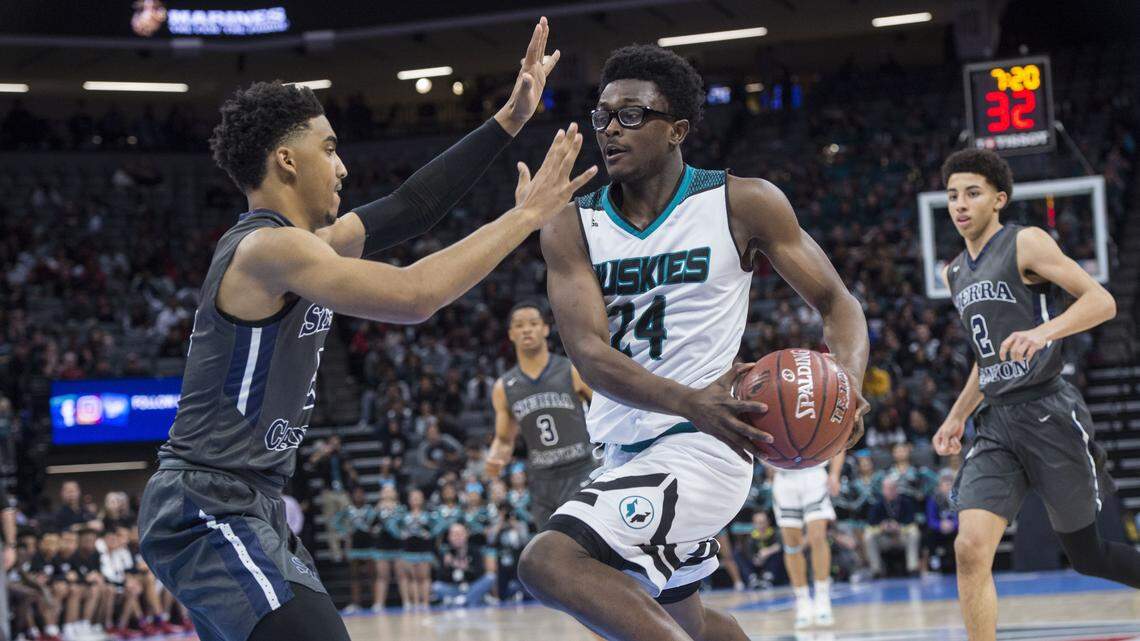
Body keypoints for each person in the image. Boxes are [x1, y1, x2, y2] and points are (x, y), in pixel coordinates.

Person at [136, 17, 596, 641]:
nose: (343, 166)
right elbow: (415, 296)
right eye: (329, 148)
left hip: (253, 501)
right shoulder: (269, 250)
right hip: (209, 503)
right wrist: (526, 217)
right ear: (285, 160)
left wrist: (509, 120)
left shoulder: (313, 247)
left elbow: (413, 206)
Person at [519, 44, 869, 641]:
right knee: (691, 624)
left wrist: (848, 384)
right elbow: (590, 356)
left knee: (547, 561)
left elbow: (839, 304)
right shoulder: (571, 224)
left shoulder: (741, 202)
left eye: (631, 115)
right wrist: (689, 400)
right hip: (627, 446)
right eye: (602, 115)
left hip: (707, 445)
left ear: (677, 128)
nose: (610, 129)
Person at [933, 148, 1138, 641]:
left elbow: (1101, 300)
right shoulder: (954, 272)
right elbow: (987, 360)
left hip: (1048, 411)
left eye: (973, 194)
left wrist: (1044, 334)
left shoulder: (1025, 242)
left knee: (1087, 555)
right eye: (953, 195)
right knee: (970, 549)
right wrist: (957, 415)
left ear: (998, 199)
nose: (960, 204)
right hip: (996, 423)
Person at [486, 300, 596, 528]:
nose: (526, 329)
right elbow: (504, 440)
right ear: (511, 334)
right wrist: (496, 457)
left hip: (580, 469)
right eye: (519, 325)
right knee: (550, 552)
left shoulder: (572, 370)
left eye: (533, 323)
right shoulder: (504, 387)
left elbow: (606, 413)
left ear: (545, 329)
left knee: (585, 542)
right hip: (541, 479)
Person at [771, 451, 844, 628]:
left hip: (814, 474)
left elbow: (840, 440)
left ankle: (822, 598)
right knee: (791, 545)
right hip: (784, 476)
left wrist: (834, 474)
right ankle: (803, 601)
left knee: (818, 537)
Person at [307, 436, 358, 562]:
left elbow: (353, 475)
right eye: (333, 444)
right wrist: (322, 452)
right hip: (329, 492)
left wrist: (349, 469)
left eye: (337, 444)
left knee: (348, 521)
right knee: (331, 523)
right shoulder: (324, 457)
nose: (335, 446)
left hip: (343, 492)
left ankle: (349, 551)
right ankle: (336, 553)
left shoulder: (344, 457)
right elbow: (311, 463)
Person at [863, 476, 920, 577]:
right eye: (887, 488)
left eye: (892, 488)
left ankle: (913, 567)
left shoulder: (906, 502)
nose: (890, 491)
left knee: (914, 532)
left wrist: (899, 527)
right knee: (868, 536)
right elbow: (871, 523)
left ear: (896, 489)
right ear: (883, 489)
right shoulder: (877, 504)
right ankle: (876, 570)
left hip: (901, 537)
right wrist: (882, 527)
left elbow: (912, 521)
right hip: (884, 539)